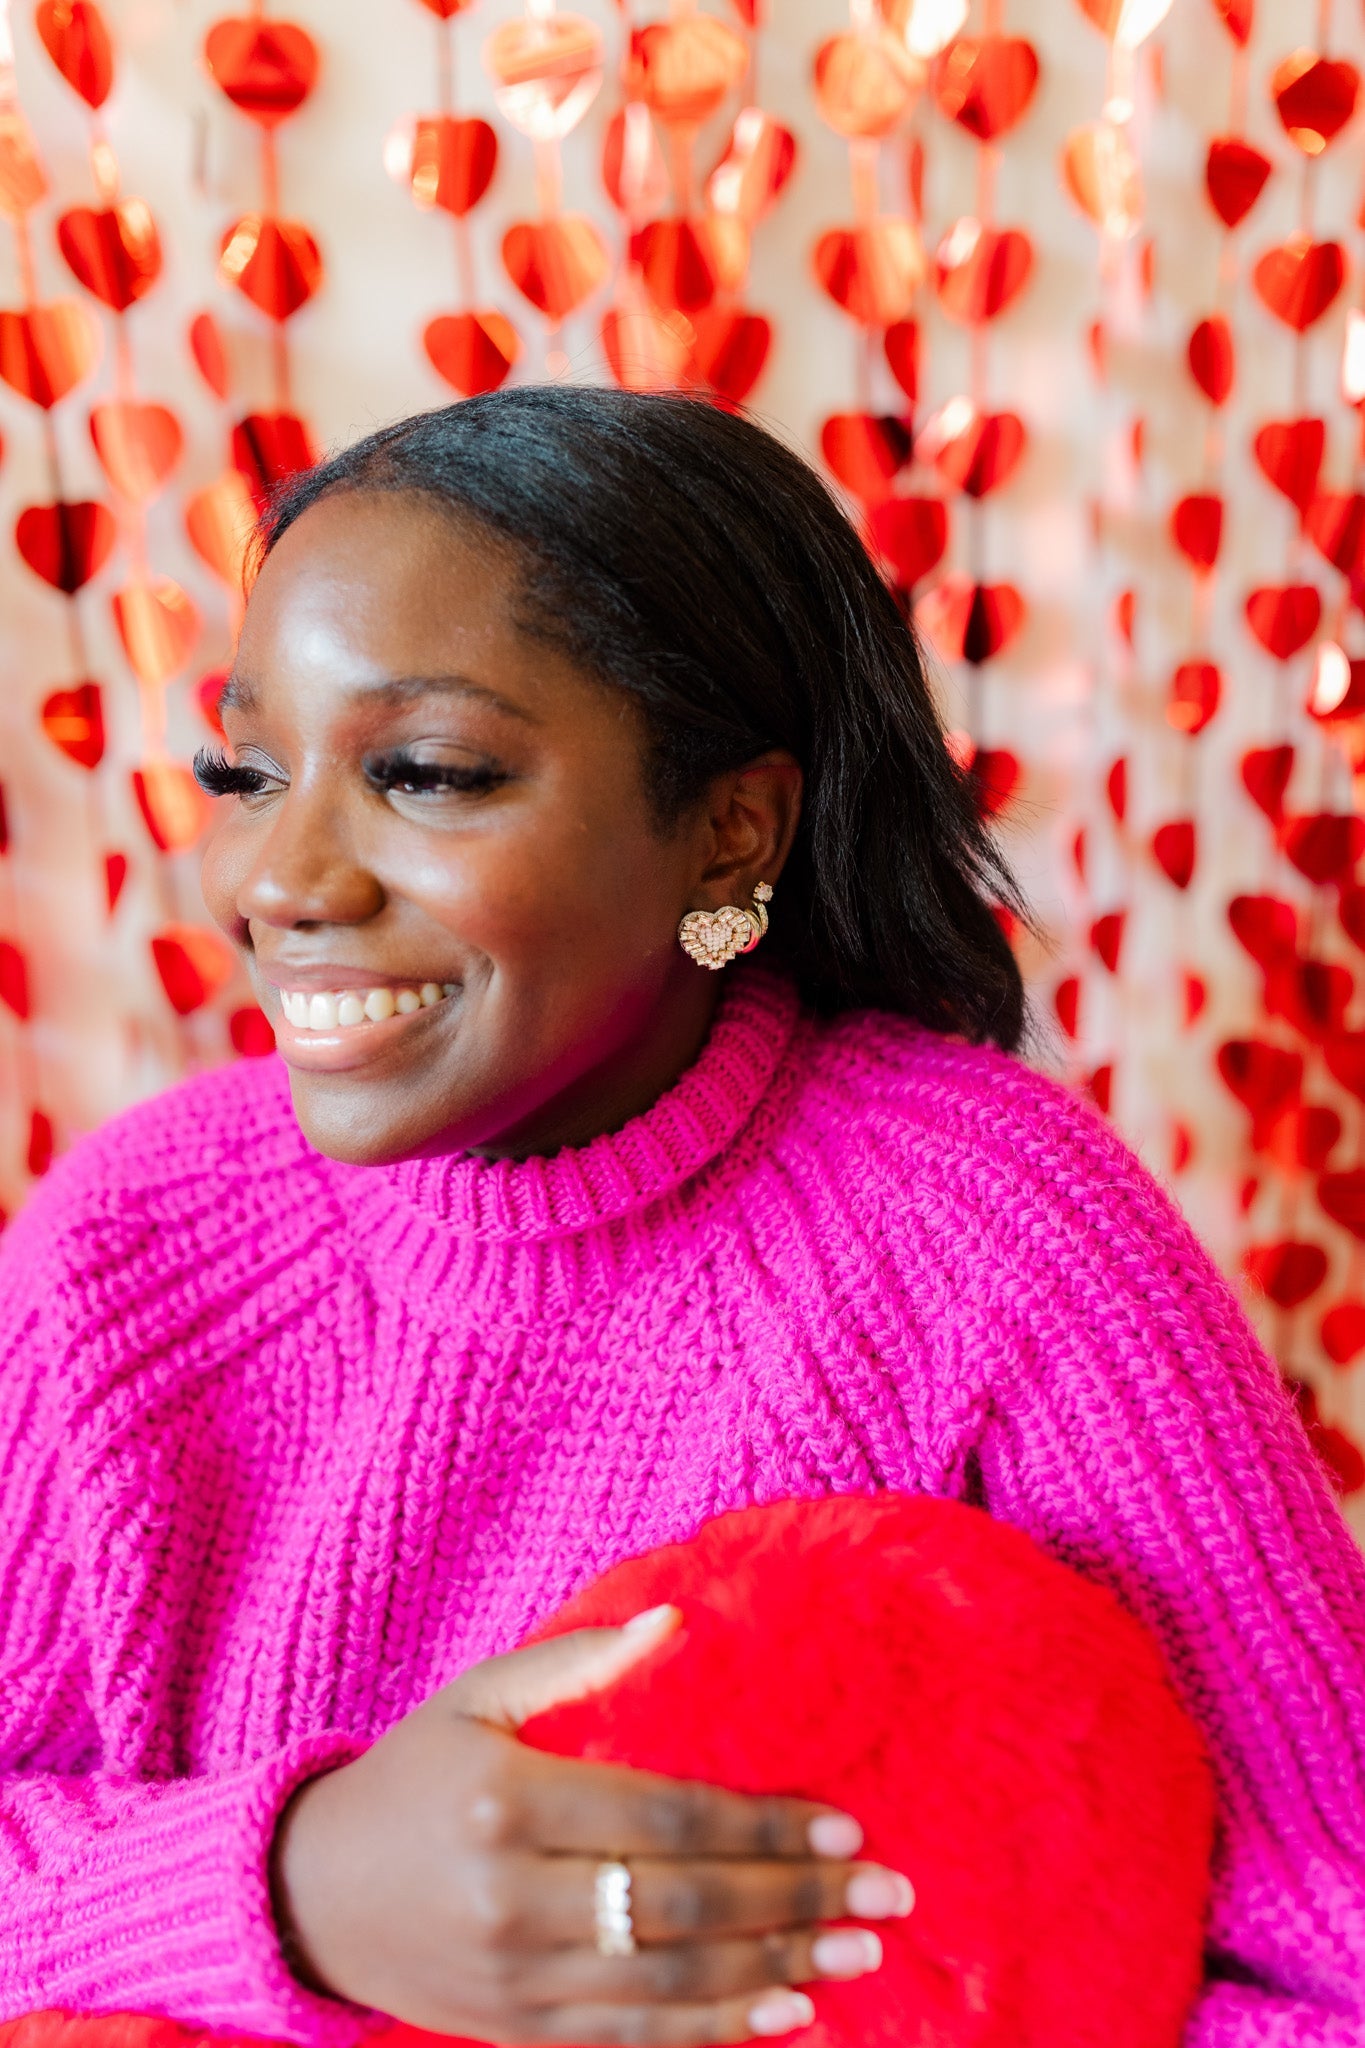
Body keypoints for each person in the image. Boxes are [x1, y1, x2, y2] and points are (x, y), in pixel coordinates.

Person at [0, 387, 1362, 2048]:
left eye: (424, 772)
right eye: (246, 768)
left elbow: (1326, 1953)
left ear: (732, 833)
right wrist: (296, 1883)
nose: (278, 877)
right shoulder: (127, 1252)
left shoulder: (1000, 1241)